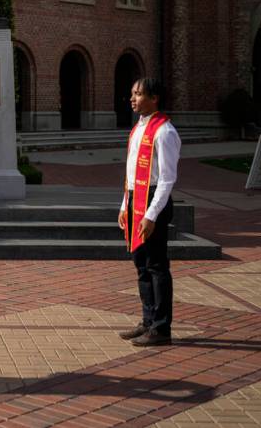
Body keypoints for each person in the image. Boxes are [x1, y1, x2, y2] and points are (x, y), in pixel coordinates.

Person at [117, 78, 181, 347]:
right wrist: (124, 205)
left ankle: (161, 327)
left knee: (156, 265)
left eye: (139, 94)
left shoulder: (165, 132)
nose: (133, 98)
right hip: (135, 201)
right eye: (132, 93)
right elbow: (131, 172)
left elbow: (167, 178)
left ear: (154, 98)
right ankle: (147, 320)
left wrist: (151, 215)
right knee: (141, 265)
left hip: (154, 202)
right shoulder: (138, 129)